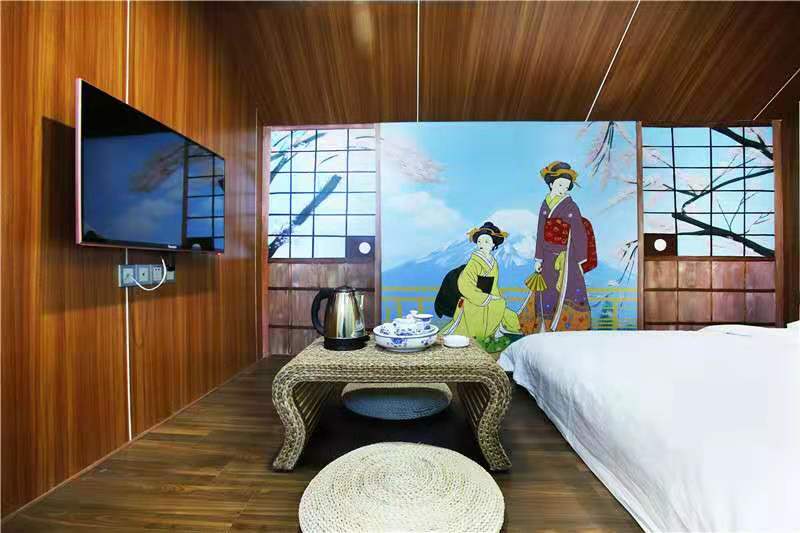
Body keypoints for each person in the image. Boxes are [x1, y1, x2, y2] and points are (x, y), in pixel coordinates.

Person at [518, 161, 592, 333]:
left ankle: (564, 328)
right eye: (560, 185)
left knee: (565, 291)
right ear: (551, 184)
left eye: (566, 186)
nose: (563, 189)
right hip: (546, 255)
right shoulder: (545, 204)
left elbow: (579, 233)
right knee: (546, 292)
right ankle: (543, 327)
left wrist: (580, 259)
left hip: (566, 258)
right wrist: (538, 258)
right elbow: (540, 231)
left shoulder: (571, 206)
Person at [440, 222, 522, 344]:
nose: (482, 245)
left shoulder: (493, 263)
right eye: (479, 241)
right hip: (473, 298)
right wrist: (484, 298)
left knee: (503, 307)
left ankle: (499, 332)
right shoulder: (473, 262)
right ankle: (488, 335)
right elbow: (464, 284)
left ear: (493, 244)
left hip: (486, 296)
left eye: (486, 242)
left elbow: (493, 286)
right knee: (492, 308)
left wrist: (494, 297)